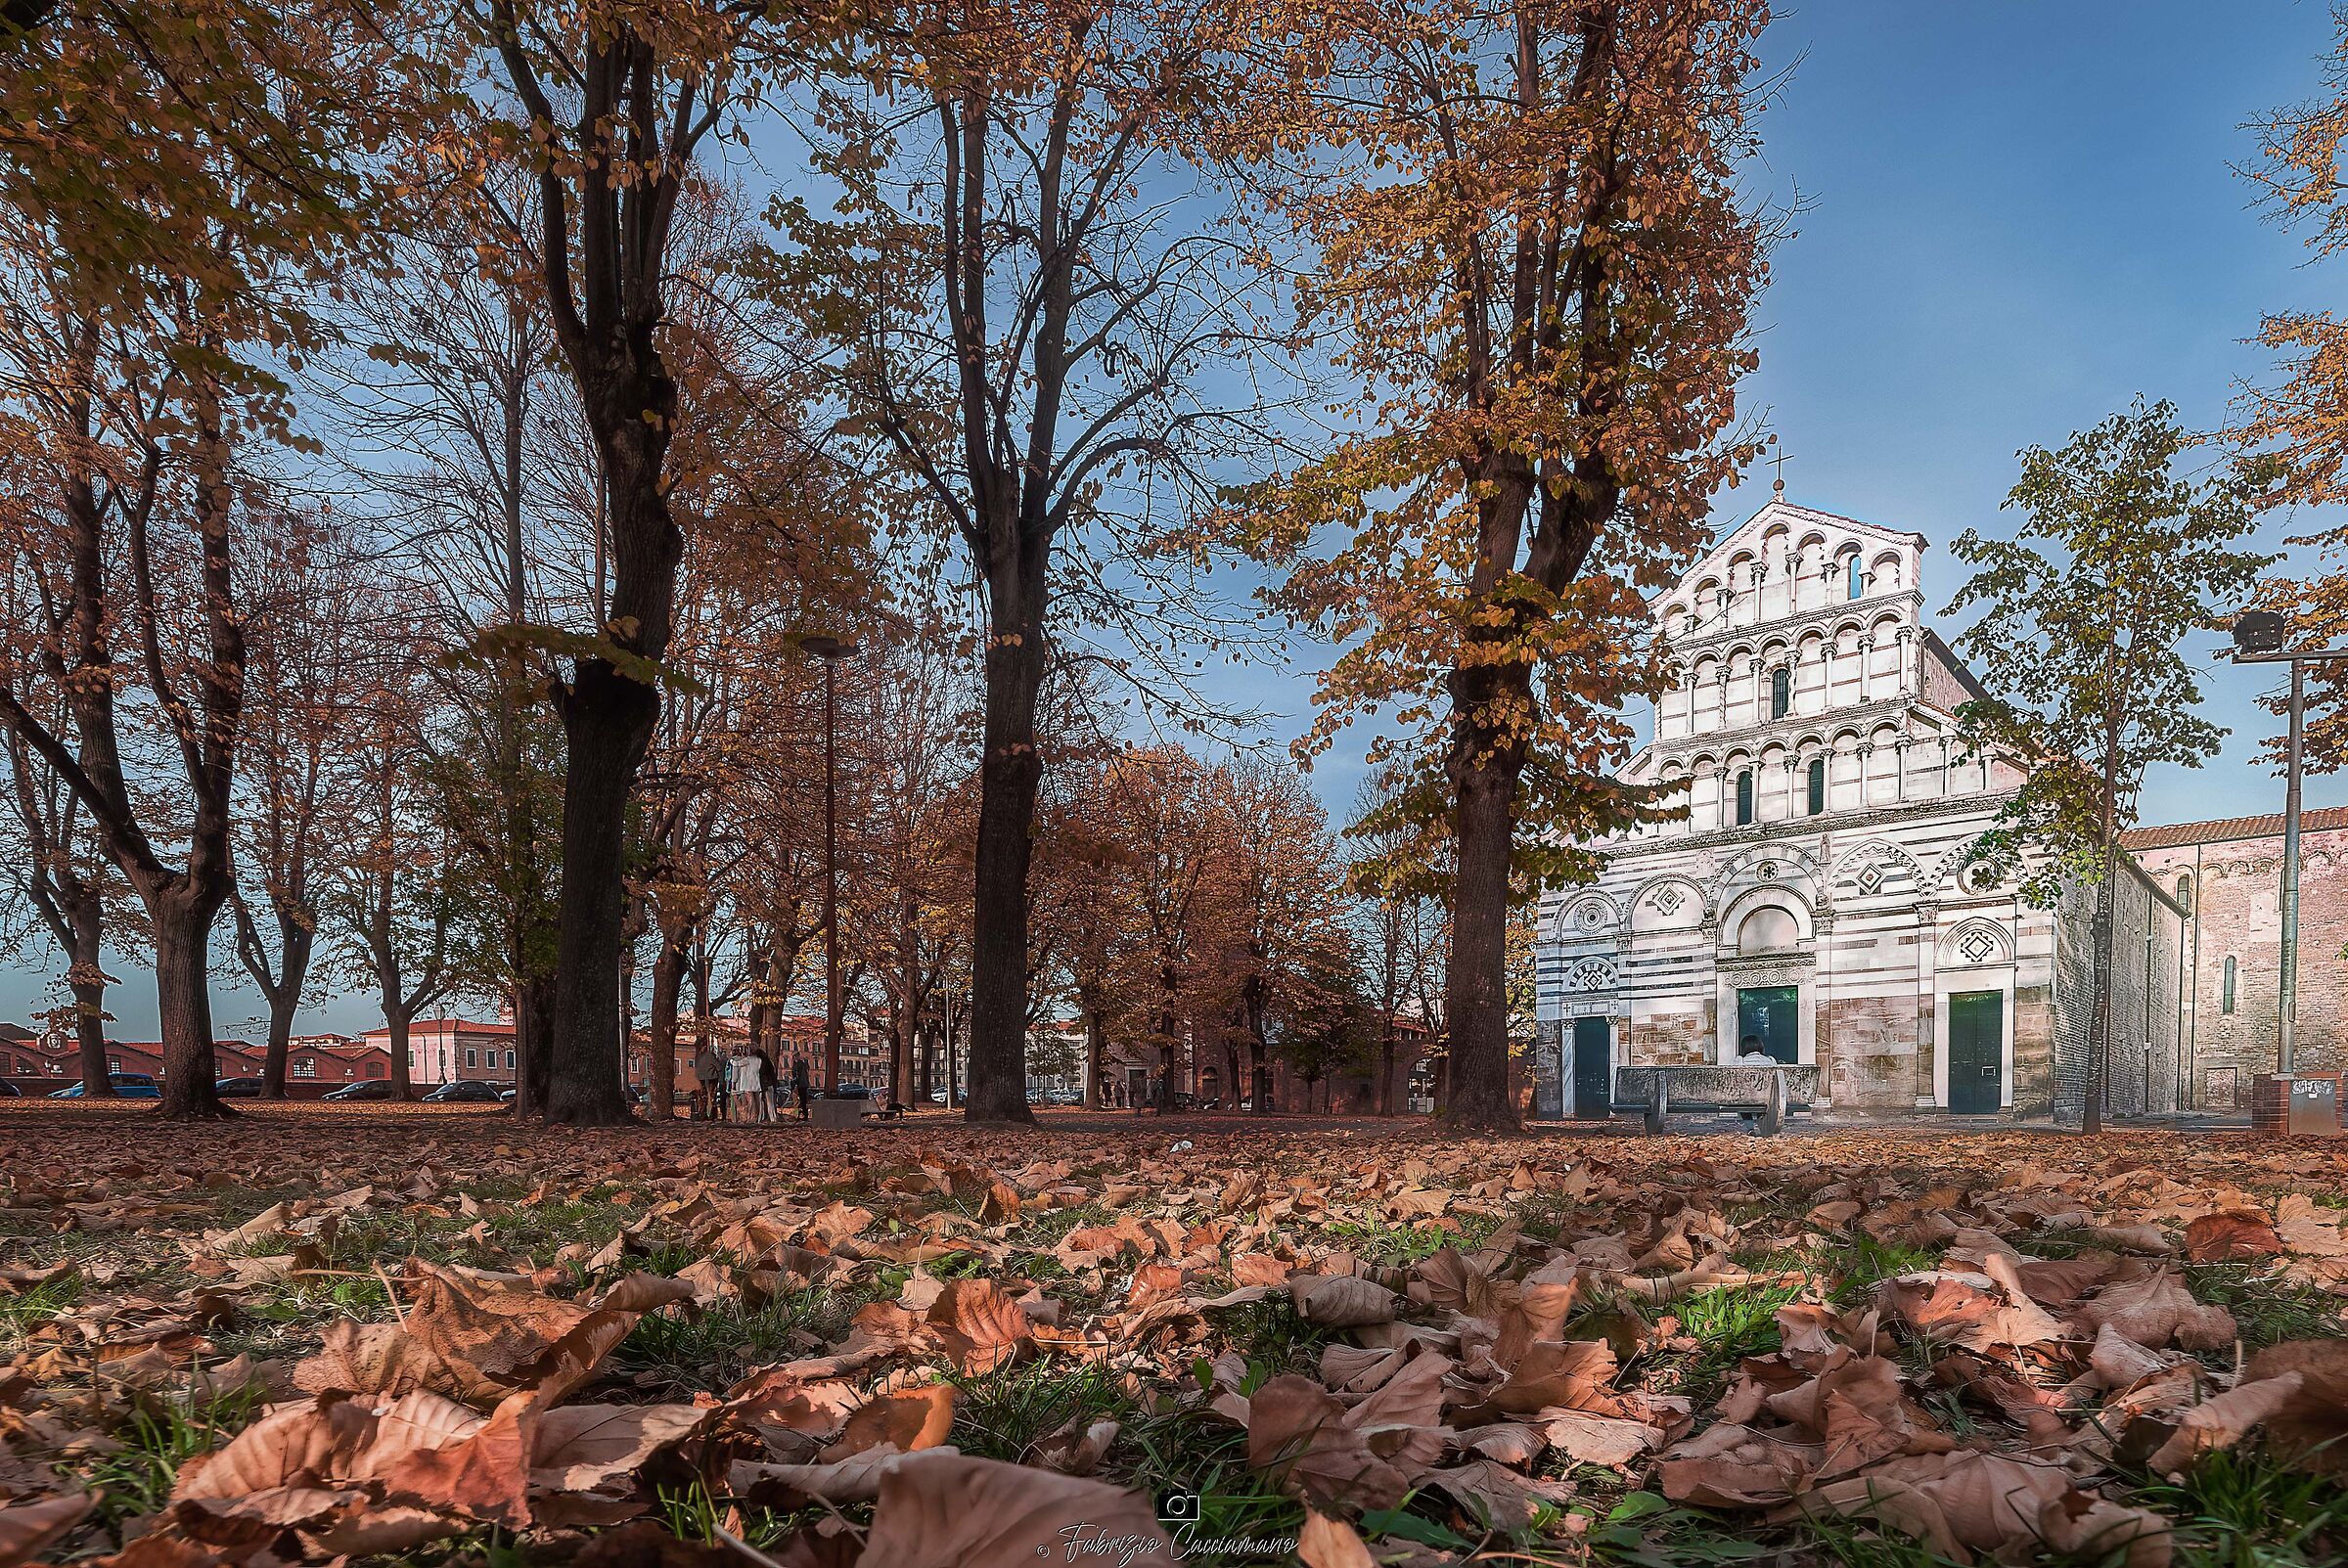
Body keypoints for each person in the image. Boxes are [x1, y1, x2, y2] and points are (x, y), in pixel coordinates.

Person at [692, 1042, 722, 1121]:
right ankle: (712, 1115)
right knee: (712, 1096)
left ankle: (702, 1114)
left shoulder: (699, 1057)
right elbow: (719, 1067)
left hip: (701, 1078)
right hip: (711, 1078)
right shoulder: (710, 1056)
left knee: (703, 1096)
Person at [752, 1047, 778, 1124]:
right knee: (770, 1103)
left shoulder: (761, 1065)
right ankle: (773, 1118)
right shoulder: (768, 1063)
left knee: (764, 1103)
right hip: (770, 1084)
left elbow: (761, 1074)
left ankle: (763, 1118)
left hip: (764, 1085)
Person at [791, 1053, 811, 1119]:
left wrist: (795, 1084)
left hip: (800, 1084)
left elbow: (796, 1074)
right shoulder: (803, 1064)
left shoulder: (797, 1065)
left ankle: (797, 1115)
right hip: (804, 1084)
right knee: (803, 1101)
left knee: (797, 1101)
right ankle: (804, 1115)